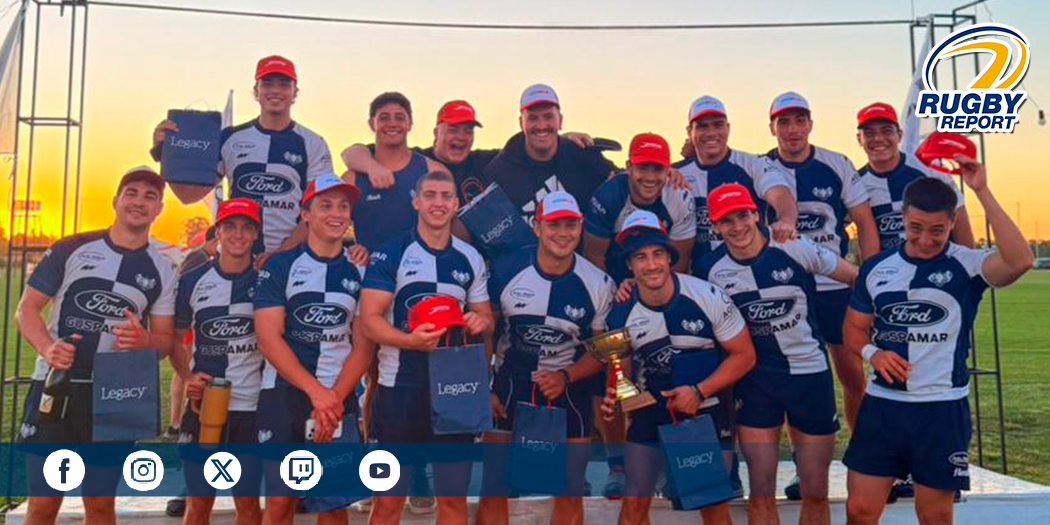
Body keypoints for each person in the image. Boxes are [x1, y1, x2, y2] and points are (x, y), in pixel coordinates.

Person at [842, 165, 1032, 525]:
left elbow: (1020, 260)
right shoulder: (877, 268)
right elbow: (853, 328)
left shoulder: (967, 265)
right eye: (916, 228)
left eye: (937, 230)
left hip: (941, 409)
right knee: (860, 511)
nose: (925, 240)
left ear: (952, 223)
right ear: (903, 217)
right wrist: (872, 353)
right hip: (883, 407)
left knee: (935, 514)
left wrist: (981, 191)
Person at [16, 166, 177, 525]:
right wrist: (47, 348)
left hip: (116, 394)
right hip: (58, 387)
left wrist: (146, 341)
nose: (139, 201)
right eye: (131, 192)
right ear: (115, 201)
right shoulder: (72, 248)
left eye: (150, 196)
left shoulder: (163, 269)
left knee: (101, 505)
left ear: (159, 209)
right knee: (43, 504)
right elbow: (26, 310)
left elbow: (165, 342)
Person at [696, 183, 858, 525]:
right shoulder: (709, 268)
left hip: (809, 375)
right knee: (761, 492)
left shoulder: (794, 246)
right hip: (756, 382)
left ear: (756, 214)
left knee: (815, 491)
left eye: (743, 215)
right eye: (726, 221)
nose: (737, 227)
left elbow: (854, 277)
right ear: (715, 226)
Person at [600, 209, 756, 525]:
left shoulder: (707, 296)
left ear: (670, 257)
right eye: (640, 257)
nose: (651, 264)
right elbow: (620, 372)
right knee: (632, 506)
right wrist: (615, 394)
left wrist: (699, 392)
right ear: (629, 264)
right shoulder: (619, 314)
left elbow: (745, 356)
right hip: (651, 410)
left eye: (657, 254)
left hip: (704, 408)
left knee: (712, 506)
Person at [359, 170, 494, 525]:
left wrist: (480, 321)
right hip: (400, 388)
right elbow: (369, 320)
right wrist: (410, 342)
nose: (438, 203)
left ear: (456, 204)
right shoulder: (392, 252)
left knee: (452, 501)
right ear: (416, 202)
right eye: (430, 195)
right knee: (387, 503)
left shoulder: (469, 257)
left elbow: (485, 317)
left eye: (446, 196)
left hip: (454, 390)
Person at [477, 191, 613, 525]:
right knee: (494, 488)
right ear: (536, 227)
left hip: (569, 388)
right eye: (553, 225)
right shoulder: (505, 270)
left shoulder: (598, 283)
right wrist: (483, 387)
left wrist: (567, 376)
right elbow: (486, 333)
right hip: (511, 384)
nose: (562, 233)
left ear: (580, 227)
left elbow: (602, 351)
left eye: (570, 225)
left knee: (569, 490)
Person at [253, 173, 375, 525]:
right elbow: (268, 338)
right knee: (280, 501)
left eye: (343, 206)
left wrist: (333, 398)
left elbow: (363, 346)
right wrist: (316, 394)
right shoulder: (280, 265)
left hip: (339, 394)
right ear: (305, 214)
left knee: (333, 504)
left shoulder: (360, 269)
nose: (336, 214)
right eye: (325, 205)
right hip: (284, 394)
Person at [765, 93, 873, 487]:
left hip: (834, 285)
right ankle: (802, 468)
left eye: (799, 120)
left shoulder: (836, 163)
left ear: (810, 123)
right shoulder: (762, 167)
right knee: (794, 379)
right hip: (784, 288)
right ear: (772, 127)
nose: (792, 129)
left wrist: (872, 280)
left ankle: (865, 459)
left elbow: (864, 222)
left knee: (852, 373)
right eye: (784, 121)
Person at [152, 55, 334, 268]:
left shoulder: (313, 143)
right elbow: (188, 196)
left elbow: (320, 210)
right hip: (237, 260)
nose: (275, 90)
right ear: (256, 91)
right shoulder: (229, 138)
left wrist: (281, 255)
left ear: (295, 92)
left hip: (292, 261)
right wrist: (166, 153)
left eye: (284, 84)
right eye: (267, 84)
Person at [169, 199, 264, 525]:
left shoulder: (266, 281)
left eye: (246, 227)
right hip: (204, 404)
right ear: (218, 232)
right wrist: (187, 376)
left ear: (255, 234)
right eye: (230, 226)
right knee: (198, 503)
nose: (238, 234)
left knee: (248, 504)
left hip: (251, 405)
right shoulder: (192, 280)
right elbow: (175, 339)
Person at [676, 96, 798, 271]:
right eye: (702, 126)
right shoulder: (676, 173)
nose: (711, 132)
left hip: (754, 273)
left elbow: (780, 194)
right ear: (690, 131)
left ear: (728, 128)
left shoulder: (754, 163)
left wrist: (786, 221)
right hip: (701, 278)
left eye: (718, 125)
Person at [485, 83, 616, 224]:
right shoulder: (499, 173)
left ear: (560, 120)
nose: (541, 125)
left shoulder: (583, 155)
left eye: (548, 116)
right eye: (533, 118)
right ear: (521, 123)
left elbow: (623, 184)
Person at [854, 102, 975, 251]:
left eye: (887, 131)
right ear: (859, 139)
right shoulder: (855, 182)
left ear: (899, 135)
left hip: (939, 262)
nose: (878, 138)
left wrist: (968, 261)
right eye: (869, 133)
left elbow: (958, 213)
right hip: (891, 265)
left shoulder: (928, 167)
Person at [344, 92, 449, 252]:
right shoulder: (352, 179)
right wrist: (350, 251)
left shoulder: (433, 172)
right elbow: (330, 226)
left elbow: (448, 230)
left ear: (410, 123)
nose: (392, 124)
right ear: (372, 124)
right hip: (369, 266)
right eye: (384, 118)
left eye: (399, 118)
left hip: (422, 266)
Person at [584, 132, 695, 281]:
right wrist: (612, 292)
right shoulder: (608, 196)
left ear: (668, 169)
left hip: (660, 279)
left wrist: (653, 292)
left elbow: (679, 264)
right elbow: (594, 258)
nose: (650, 177)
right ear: (629, 167)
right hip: (613, 279)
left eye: (658, 169)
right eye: (642, 168)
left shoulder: (679, 197)